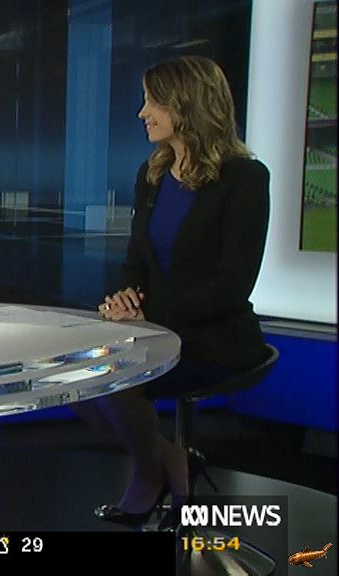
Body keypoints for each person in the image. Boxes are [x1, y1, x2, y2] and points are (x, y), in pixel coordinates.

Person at [76, 56, 270, 529]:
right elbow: (135, 261)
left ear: (187, 104)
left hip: (216, 336)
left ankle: (148, 476)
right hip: (156, 327)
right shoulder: (153, 173)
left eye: (153, 101)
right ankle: (173, 463)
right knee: (75, 380)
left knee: (118, 381)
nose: (142, 112)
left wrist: (148, 314)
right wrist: (122, 298)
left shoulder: (244, 179)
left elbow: (232, 286)